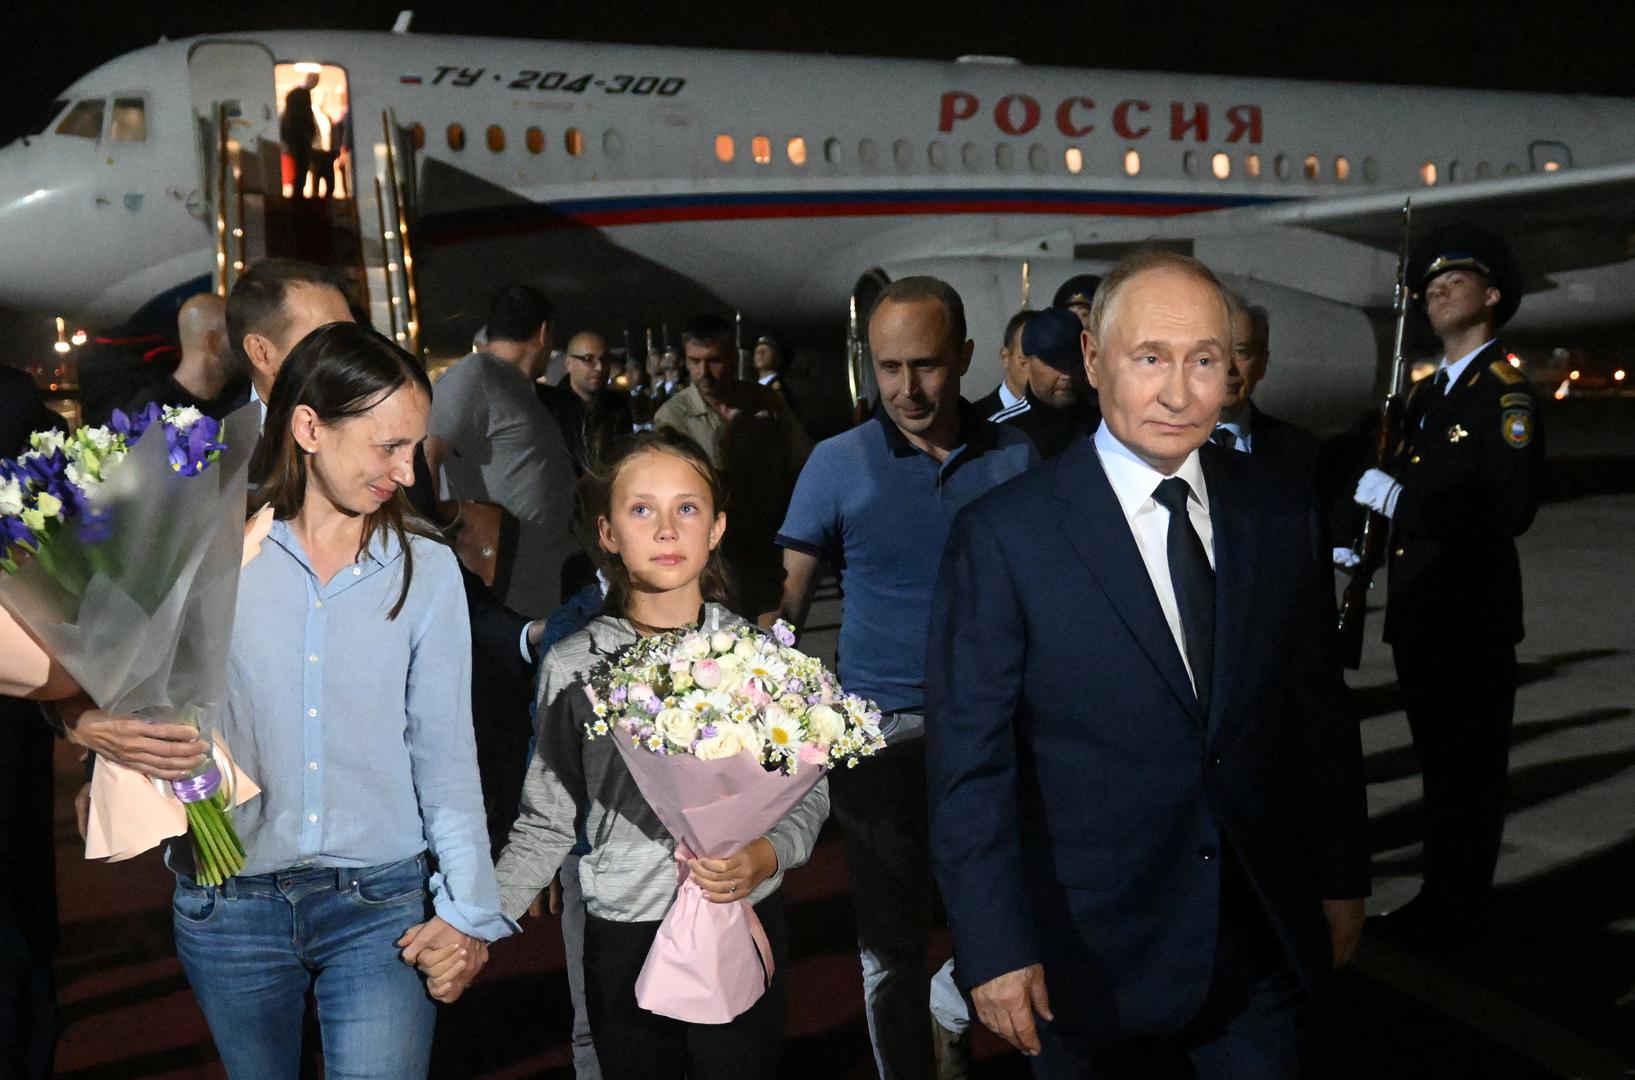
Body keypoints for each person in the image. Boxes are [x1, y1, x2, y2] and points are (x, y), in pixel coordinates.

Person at [927, 251, 1368, 1076]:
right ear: (1093, 360)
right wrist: (991, 945)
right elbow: (969, 763)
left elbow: (1316, 708)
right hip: (1082, 960)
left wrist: (1341, 875)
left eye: (1204, 360)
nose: (1178, 392)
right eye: (1149, 359)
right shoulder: (1004, 536)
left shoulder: (1276, 506)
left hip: (1256, 943)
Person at [168, 321, 513, 1079]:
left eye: (413, 448)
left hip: (382, 908)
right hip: (230, 905)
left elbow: (447, 757)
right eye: (387, 447)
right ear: (308, 427)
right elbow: (140, 698)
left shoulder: (425, 570)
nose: (409, 472)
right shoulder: (213, 549)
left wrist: (466, 913)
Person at [494, 429, 828, 1080]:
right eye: (642, 509)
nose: (667, 529)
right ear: (609, 532)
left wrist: (767, 852)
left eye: (687, 508)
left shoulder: (757, 658)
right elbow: (546, 817)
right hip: (624, 929)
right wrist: (476, 921)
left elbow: (806, 789)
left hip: (739, 911)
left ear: (716, 528)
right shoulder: (572, 662)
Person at [775, 276, 1035, 1079]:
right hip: (877, 737)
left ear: (961, 358)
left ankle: (957, 1011)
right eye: (887, 367)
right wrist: (758, 665)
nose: (905, 388)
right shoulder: (833, 463)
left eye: (923, 365)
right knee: (888, 944)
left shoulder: (1022, 457)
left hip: (999, 728)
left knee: (1017, 920)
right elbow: (790, 594)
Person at [1351, 224, 1542, 946]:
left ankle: (1461, 912)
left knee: (1468, 773)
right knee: (1438, 768)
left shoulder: (1503, 393)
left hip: (1470, 615)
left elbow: (1510, 506)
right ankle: (1440, 897)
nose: (1435, 290)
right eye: (1428, 285)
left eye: (1453, 281)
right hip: (1422, 610)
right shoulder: (1428, 397)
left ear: (1491, 297)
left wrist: (1404, 504)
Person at [655, 314, 811, 614]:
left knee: (776, 645)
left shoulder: (765, 402)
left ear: (732, 357)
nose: (703, 373)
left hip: (770, 549)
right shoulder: (673, 418)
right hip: (716, 562)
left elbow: (802, 459)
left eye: (714, 361)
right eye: (694, 361)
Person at [226, 257, 355, 419]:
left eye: (351, 334)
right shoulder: (220, 440)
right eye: (326, 338)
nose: (351, 351)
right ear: (261, 353)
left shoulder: (381, 421)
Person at [1214, 296, 1321, 481]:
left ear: (1262, 364)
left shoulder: (1302, 454)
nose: (1229, 367)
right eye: (1217, 352)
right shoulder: (1157, 445)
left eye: (1241, 352)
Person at [123, 293, 246, 420]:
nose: (245, 344)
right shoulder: (148, 412)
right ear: (211, 342)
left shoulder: (238, 392)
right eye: (235, 334)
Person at [1000, 306, 1101, 460]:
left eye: (1074, 362)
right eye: (1054, 363)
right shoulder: (1004, 432)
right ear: (1025, 362)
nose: (1066, 374)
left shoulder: (1103, 420)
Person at [538, 330, 635, 475]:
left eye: (604, 359)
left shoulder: (617, 406)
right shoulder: (550, 409)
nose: (599, 367)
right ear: (569, 364)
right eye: (588, 359)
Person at [970, 309, 1036, 423]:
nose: (1038, 366)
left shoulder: (1063, 416)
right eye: (1028, 355)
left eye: (1046, 357)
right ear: (1006, 358)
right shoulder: (973, 419)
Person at [280, 73, 320, 199]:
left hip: (294, 138)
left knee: (298, 169)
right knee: (301, 169)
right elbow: (304, 119)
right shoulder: (302, 96)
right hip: (301, 139)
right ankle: (298, 196)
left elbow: (289, 119)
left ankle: (297, 196)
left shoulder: (293, 95)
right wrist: (310, 134)